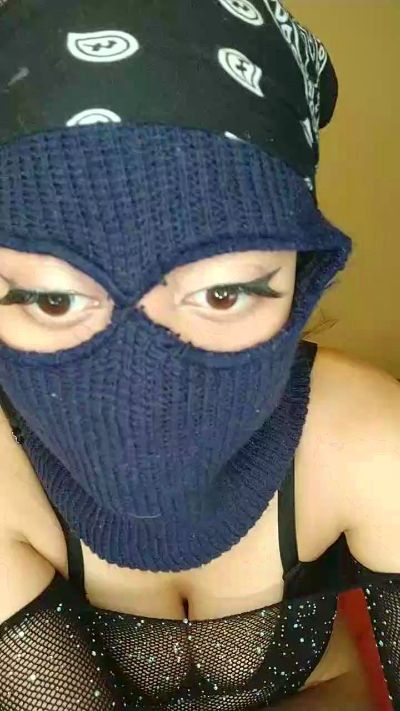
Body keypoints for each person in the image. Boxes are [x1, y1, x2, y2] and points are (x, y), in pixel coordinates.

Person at [0, 0, 398, 709]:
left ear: (303, 275)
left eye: (223, 293)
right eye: (52, 300)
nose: (142, 395)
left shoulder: (371, 440)